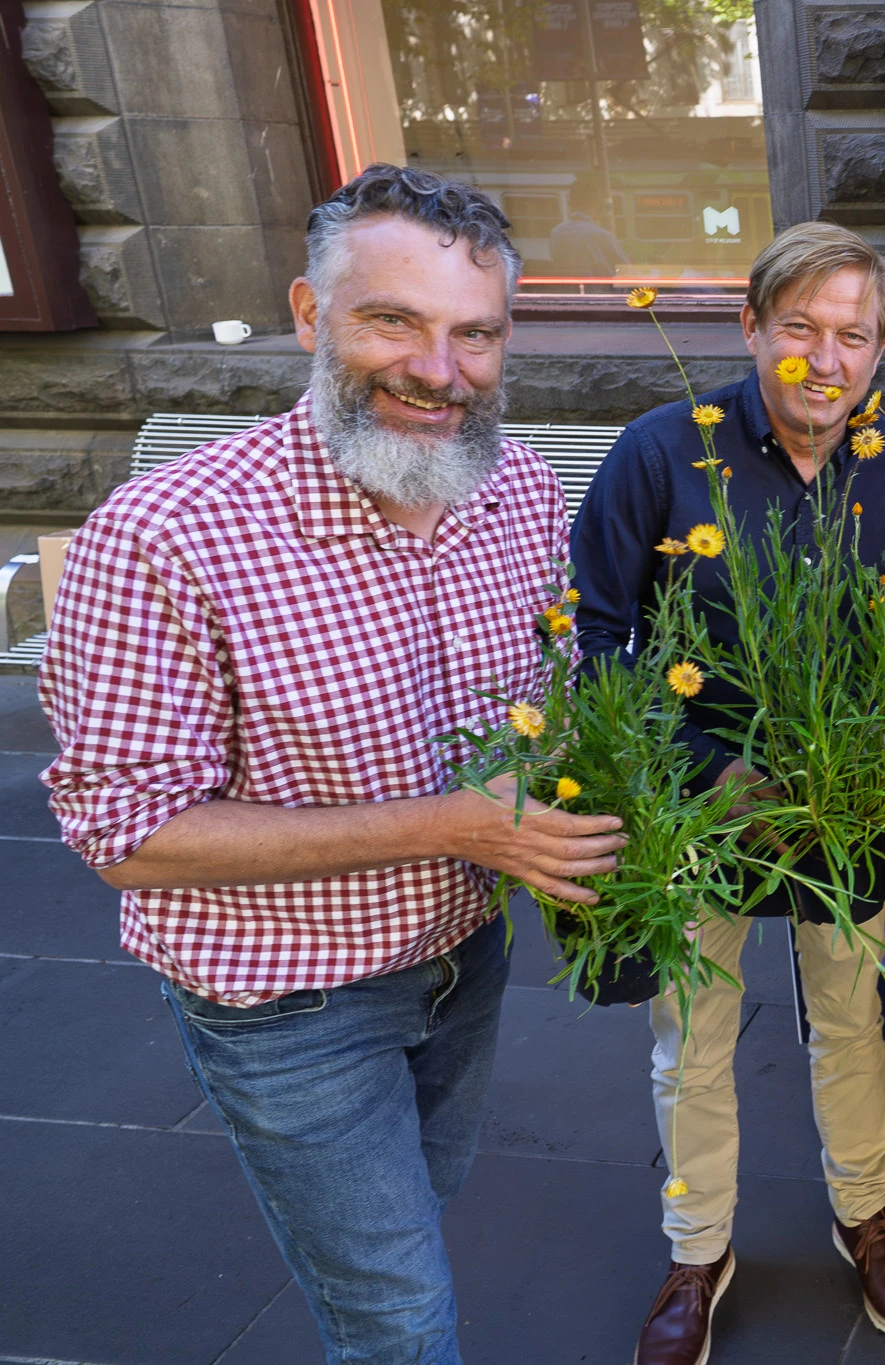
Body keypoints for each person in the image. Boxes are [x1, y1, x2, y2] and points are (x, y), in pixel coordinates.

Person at [37, 164, 627, 1365]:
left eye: (475, 334)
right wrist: (457, 824)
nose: (438, 371)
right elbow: (129, 838)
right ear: (311, 316)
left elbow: (541, 704)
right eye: (391, 322)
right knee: (395, 1319)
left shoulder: (513, 484)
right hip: (289, 1002)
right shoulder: (165, 537)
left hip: (463, 955)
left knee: (415, 1218)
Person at [572, 220, 885, 1365]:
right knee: (690, 1033)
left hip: (846, 814)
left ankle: (863, 1214)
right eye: (799, 330)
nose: (823, 361)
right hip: (697, 807)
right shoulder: (657, 452)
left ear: (878, 350)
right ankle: (697, 1250)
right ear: (749, 329)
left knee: (849, 1021)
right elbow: (597, 633)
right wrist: (701, 767)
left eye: (852, 336)